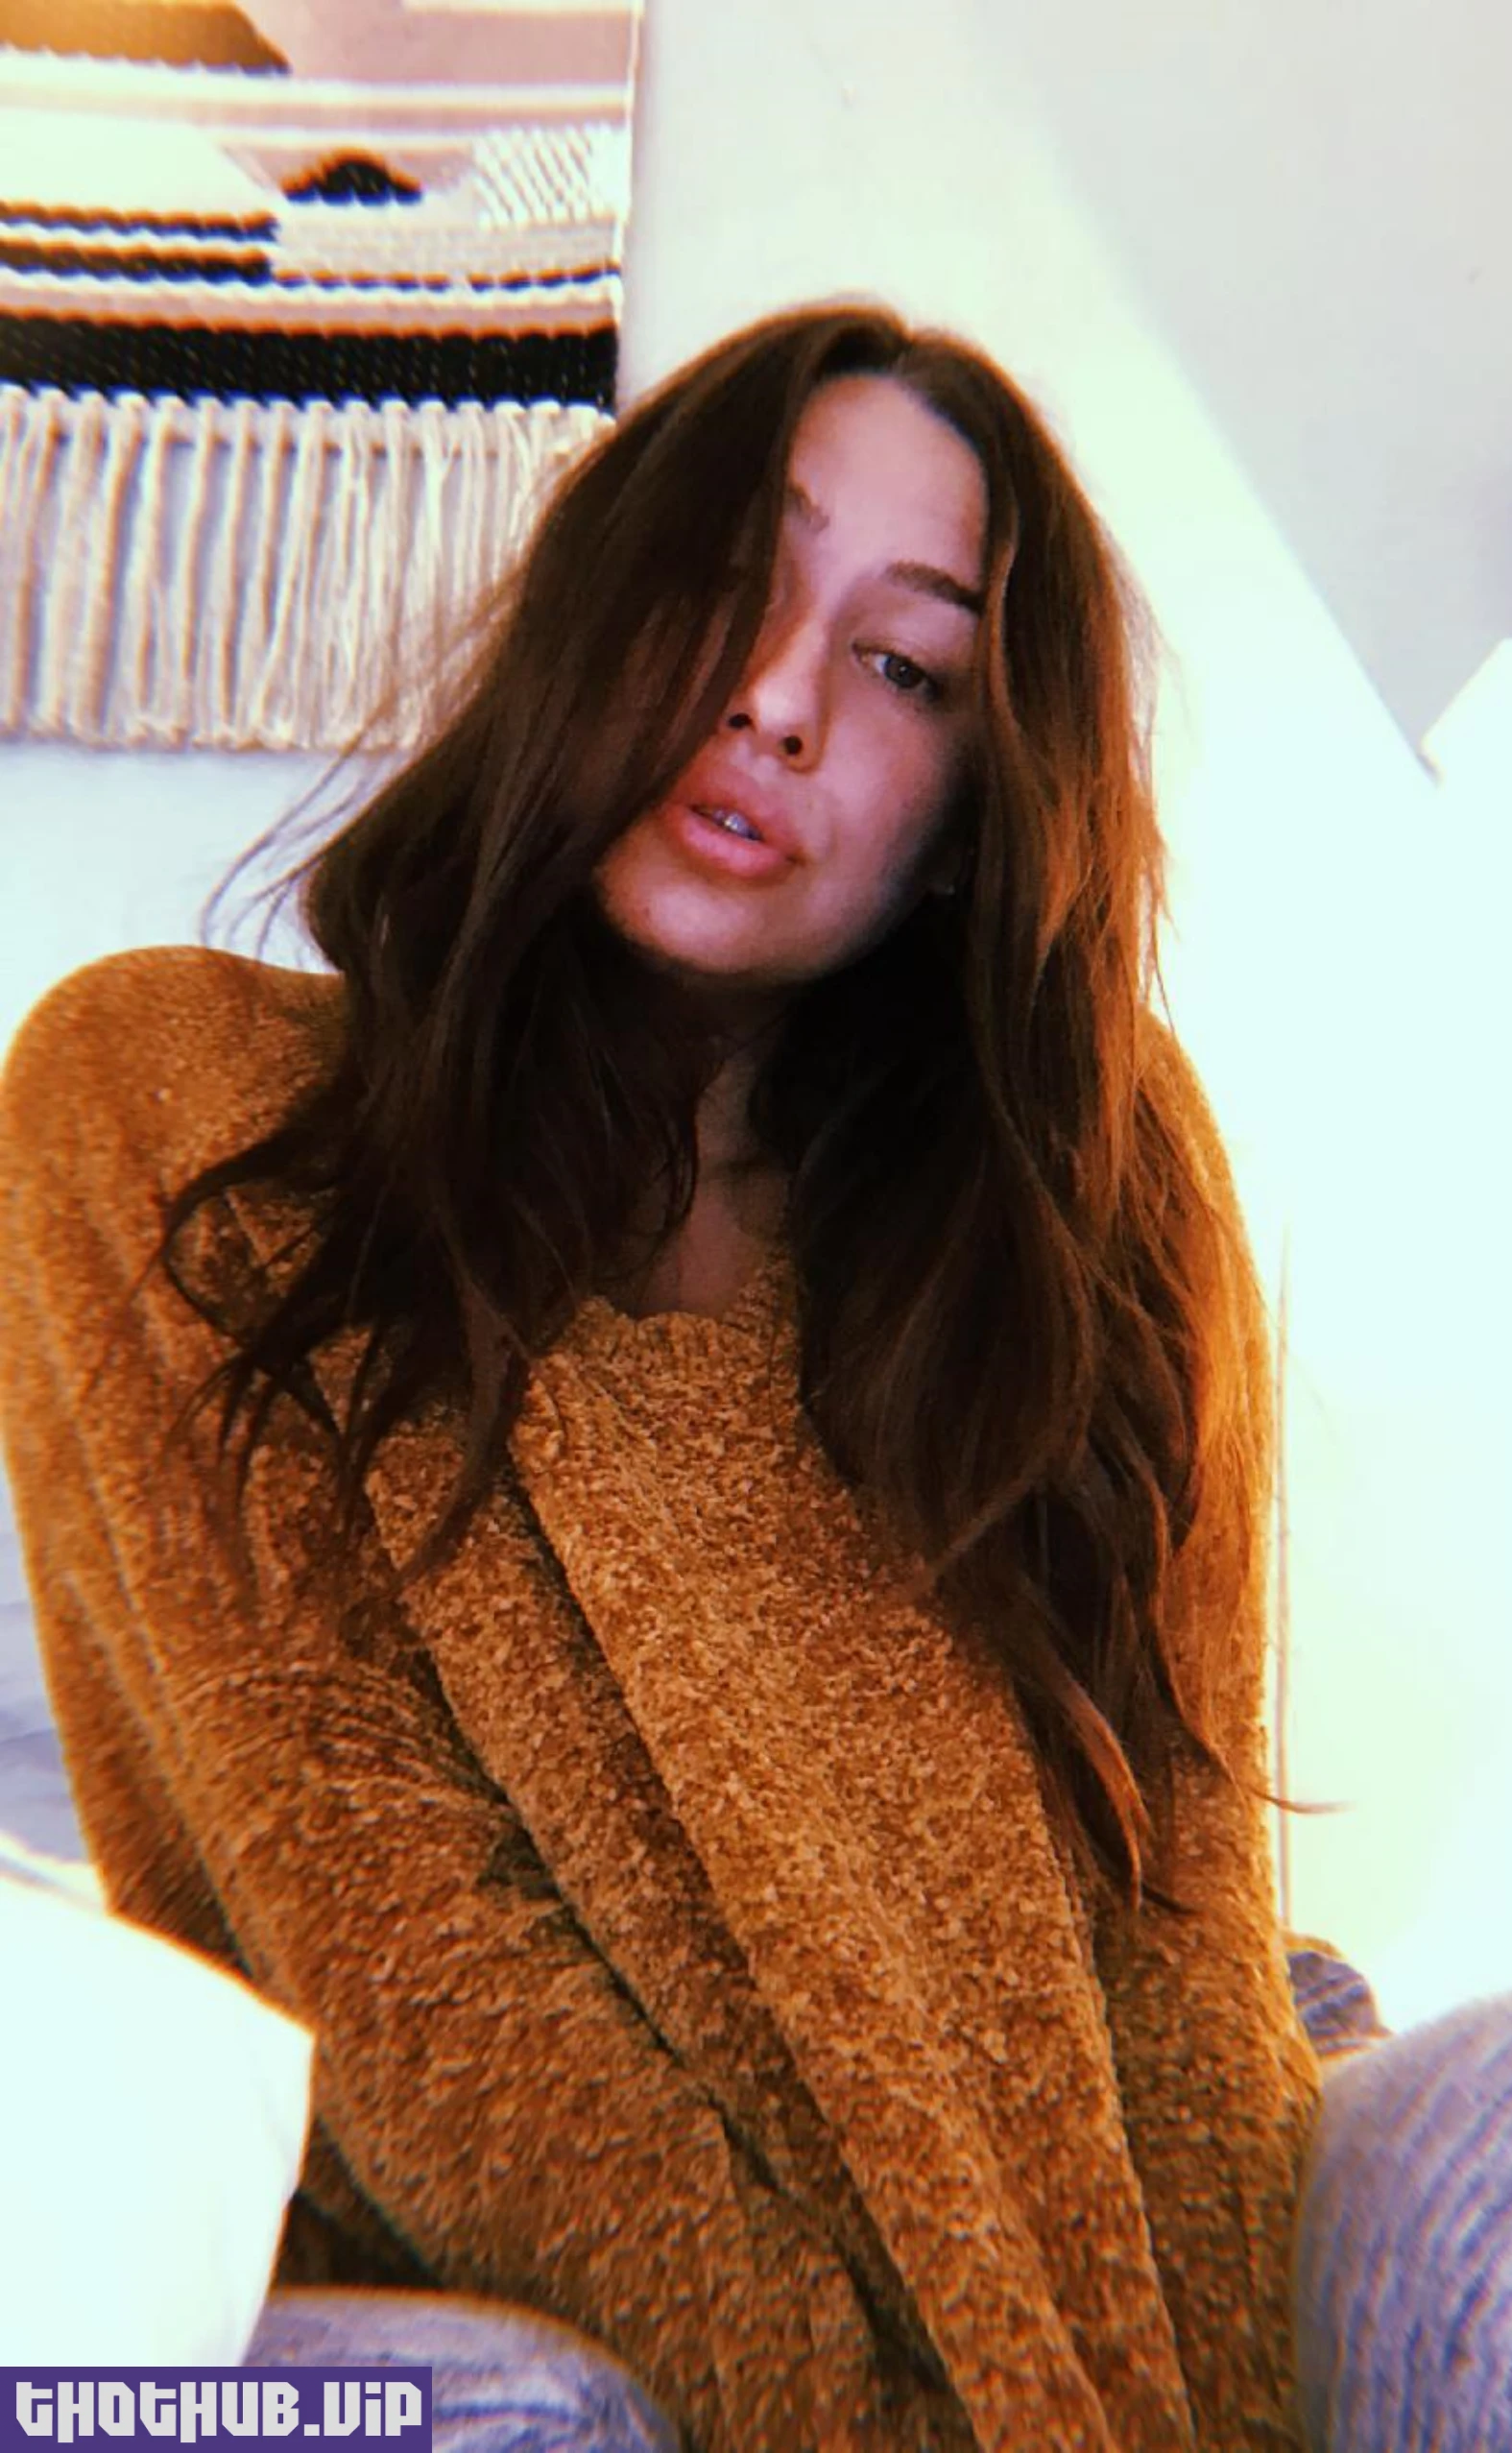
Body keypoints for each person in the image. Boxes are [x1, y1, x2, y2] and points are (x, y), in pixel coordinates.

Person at [0, 305, 1323, 2450]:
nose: (779, 700)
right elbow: (406, 1969)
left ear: (968, 814)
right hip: (541, 2338)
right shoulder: (167, 1106)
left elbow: (1184, 1932)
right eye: (729, 580)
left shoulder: (1092, 1184)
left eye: (906, 667)